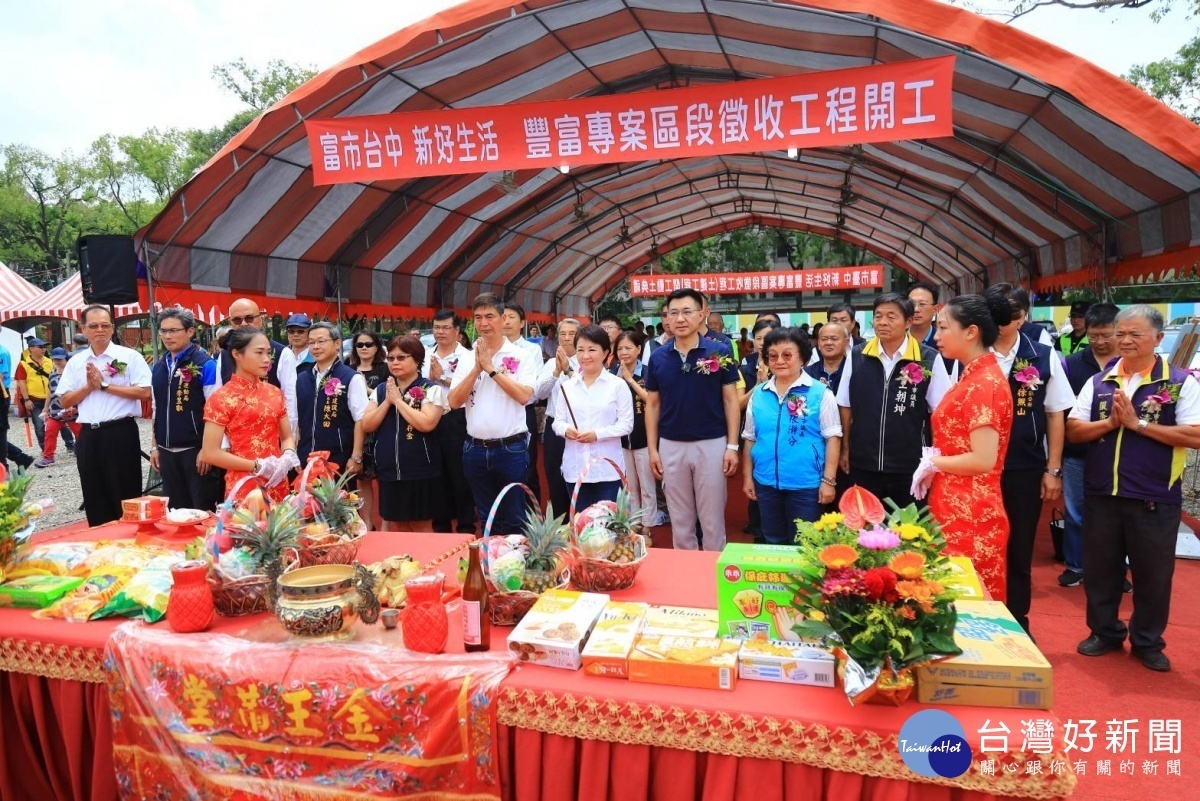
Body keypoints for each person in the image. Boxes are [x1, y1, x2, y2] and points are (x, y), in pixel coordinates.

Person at [1066, 305, 1200, 673]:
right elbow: (1075, 429)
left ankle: (1147, 641)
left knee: (1153, 575)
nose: (1124, 340)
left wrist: (1137, 423)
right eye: (1119, 333)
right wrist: (1111, 423)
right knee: (1101, 570)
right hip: (1102, 493)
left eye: (1134, 334)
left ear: (1158, 339)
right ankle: (1105, 632)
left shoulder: (1178, 382)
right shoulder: (1099, 382)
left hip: (1154, 496)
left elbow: (1194, 434)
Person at [917, 294, 1014, 601]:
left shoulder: (984, 383)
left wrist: (934, 463)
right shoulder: (972, 376)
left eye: (944, 328)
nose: (936, 336)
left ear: (971, 332)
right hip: (954, 504)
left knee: (969, 603)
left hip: (971, 512)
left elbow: (983, 459)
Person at [645, 288, 740, 551]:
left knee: (712, 520)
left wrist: (732, 446)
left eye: (687, 312)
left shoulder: (719, 351)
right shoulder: (658, 357)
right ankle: (686, 577)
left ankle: (713, 575)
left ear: (702, 315)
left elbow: (731, 401)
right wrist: (653, 449)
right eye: (673, 313)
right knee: (680, 518)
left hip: (711, 443)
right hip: (671, 444)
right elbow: (652, 404)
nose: (680, 318)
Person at [448, 293, 540, 535]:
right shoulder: (467, 358)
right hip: (474, 449)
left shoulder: (522, 356)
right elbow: (454, 401)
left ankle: (515, 569)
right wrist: (477, 368)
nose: (484, 323)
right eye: (478, 318)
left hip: (510, 449)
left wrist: (490, 370)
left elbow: (524, 396)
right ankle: (492, 567)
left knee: (514, 516)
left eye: (490, 316)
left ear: (503, 319)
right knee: (487, 517)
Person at [836, 293, 937, 509]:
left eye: (891, 316)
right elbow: (845, 405)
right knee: (865, 527)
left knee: (908, 532)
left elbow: (939, 411)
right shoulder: (857, 355)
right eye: (878, 316)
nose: (882, 322)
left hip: (909, 464)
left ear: (909, 321)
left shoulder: (928, 358)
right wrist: (845, 449)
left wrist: (933, 459)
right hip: (864, 462)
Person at [742, 327, 842, 543]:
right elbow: (750, 438)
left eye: (787, 355)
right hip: (766, 482)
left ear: (803, 358)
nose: (780, 361)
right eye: (773, 355)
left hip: (806, 485)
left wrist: (829, 481)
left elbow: (833, 437)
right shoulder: (759, 393)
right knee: (772, 540)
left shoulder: (819, 392)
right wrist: (748, 477)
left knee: (804, 543)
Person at [57, 305, 153, 526]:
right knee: (94, 491)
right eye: (93, 326)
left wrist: (105, 386)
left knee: (125, 492)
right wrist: (88, 388)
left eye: (104, 325)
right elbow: (64, 400)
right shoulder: (77, 362)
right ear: (84, 329)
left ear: (112, 328)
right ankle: (100, 543)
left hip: (120, 432)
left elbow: (145, 392)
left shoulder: (129, 356)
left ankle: (130, 542)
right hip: (89, 434)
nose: (99, 330)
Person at [1058, 303, 1120, 587]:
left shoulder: (1129, 365)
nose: (1100, 341)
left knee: (1117, 515)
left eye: (1107, 335)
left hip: (1119, 454)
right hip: (1078, 452)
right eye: (1095, 335)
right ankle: (1075, 565)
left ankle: (1116, 570)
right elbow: (1059, 413)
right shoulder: (1071, 364)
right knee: (1076, 511)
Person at [201, 327, 299, 505]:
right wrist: (258, 466)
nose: (266, 360)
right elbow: (210, 452)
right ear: (237, 354)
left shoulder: (274, 393)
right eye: (259, 353)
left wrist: (288, 455)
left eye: (268, 353)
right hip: (244, 483)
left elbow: (286, 437)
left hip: (277, 480)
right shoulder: (222, 397)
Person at [362, 336, 445, 532]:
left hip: (420, 470)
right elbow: (367, 424)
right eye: (390, 358)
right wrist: (388, 402)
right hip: (389, 470)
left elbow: (427, 423)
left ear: (416, 360)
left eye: (401, 357)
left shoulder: (430, 389)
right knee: (394, 524)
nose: (395, 363)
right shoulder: (382, 390)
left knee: (421, 524)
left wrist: (399, 402)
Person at [553, 325, 633, 510]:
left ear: (606, 352)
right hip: (575, 468)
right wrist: (566, 430)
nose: (585, 356)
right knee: (581, 525)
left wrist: (597, 434)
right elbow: (557, 422)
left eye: (592, 350)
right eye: (580, 350)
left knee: (609, 528)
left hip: (607, 470)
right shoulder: (568, 386)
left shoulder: (617, 386)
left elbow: (626, 425)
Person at [147, 308, 218, 509]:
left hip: (195, 451)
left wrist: (207, 449)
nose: (167, 336)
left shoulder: (206, 364)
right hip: (166, 452)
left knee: (201, 510)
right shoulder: (160, 366)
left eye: (174, 330)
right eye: (163, 331)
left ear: (190, 332)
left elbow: (215, 411)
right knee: (175, 512)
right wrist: (154, 446)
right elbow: (156, 408)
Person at [295, 321, 369, 485]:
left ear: (337, 343)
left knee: (337, 507)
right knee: (305, 507)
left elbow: (361, 419)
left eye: (321, 341)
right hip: (306, 456)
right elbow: (297, 419)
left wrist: (356, 456)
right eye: (311, 342)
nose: (315, 347)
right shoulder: (302, 378)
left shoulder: (351, 378)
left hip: (338, 459)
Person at [423, 309, 476, 534]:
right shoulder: (424, 354)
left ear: (457, 331)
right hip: (429, 416)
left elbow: (471, 387)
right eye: (437, 327)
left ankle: (466, 524)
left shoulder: (468, 356)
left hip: (457, 418)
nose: (440, 332)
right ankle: (440, 524)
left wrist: (441, 378)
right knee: (435, 472)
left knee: (459, 473)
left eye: (446, 327)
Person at [214, 298, 298, 437]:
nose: (244, 324)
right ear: (230, 323)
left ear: (261, 320)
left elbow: (290, 400)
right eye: (237, 320)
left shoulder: (283, 353)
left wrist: (288, 439)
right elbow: (218, 397)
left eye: (249, 318)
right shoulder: (224, 355)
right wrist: (223, 440)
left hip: (271, 435)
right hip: (235, 436)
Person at [502, 301, 546, 500]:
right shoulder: (489, 348)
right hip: (498, 412)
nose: (506, 321)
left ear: (522, 323)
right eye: (502, 317)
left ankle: (532, 515)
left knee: (527, 464)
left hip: (522, 411)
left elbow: (534, 388)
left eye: (511, 317)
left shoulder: (531, 349)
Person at [538, 317, 581, 517]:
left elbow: (584, 391)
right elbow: (540, 393)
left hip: (579, 428)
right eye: (563, 334)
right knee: (554, 475)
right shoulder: (549, 365)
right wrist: (556, 370)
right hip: (554, 426)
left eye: (572, 334)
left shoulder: (586, 361)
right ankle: (560, 522)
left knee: (579, 476)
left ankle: (581, 521)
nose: (566, 338)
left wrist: (568, 369)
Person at [613, 330, 655, 529]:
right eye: (619, 348)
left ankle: (648, 523)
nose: (623, 352)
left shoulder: (648, 371)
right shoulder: (611, 373)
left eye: (628, 348)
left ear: (639, 349)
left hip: (645, 436)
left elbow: (652, 401)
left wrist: (629, 379)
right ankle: (634, 522)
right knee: (628, 485)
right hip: (620, 438)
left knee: (647, 484)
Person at [347, 329, 389, 528]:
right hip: (356, 428)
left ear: (377, 347)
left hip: (380, 427)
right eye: (359, 345)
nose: (364, 348)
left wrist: (365, 387)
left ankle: (385, 523)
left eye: (368, 344)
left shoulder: (385, 369)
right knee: (362, 478)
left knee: (383, 477)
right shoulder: (348, 368)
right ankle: (366, 522)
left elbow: (388, 396)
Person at [33, 348, 81, 469]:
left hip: (72, 409)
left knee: (80, 433)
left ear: (66, 359)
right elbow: (49, 391)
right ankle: (48, 456)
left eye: (60, 359)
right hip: (55, 409)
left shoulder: (73, 373)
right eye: (55, 359)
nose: (58, 361)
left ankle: (86, 452)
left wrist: (74, 404)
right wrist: (45, 407)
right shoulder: (52, 373)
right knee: (50, 432)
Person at [16, 337, 53, 451]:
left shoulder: (49, 361)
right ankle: (45, 449)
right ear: (31, 349)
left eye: (44, 347)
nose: (43, 349)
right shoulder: (23, 364)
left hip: (50, 397)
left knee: (61, 423)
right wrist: (26, 399)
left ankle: (69, 444)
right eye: (40, 347)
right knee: (39, 426)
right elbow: (21, 383)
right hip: (34, 399)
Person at [806, 322, 850, 393]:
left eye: (834, 339)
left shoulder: (854, 372)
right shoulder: (807, 373)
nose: (828, 343)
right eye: (824, 339)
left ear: (846, 342)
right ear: (819, 344)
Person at [908, 282, 941, 347]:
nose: (916, 310)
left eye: (922, 304)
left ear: (935, 309)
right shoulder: (895, 340)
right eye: (912, 304)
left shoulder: (943, 341)